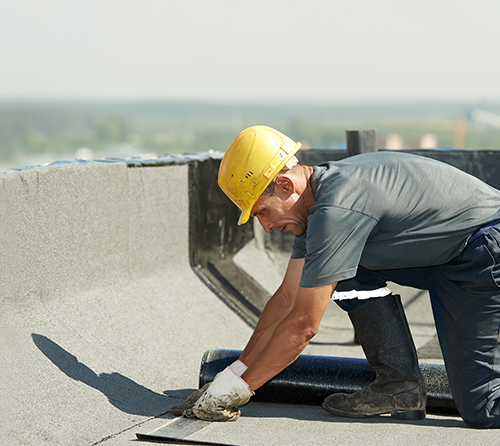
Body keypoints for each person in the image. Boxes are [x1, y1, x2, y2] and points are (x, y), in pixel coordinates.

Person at [173, 125, 500, 429]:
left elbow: (302, 324)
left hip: (483, 252)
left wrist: (236, 392)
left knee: (482, 406)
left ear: (285, 186)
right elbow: (287, 300)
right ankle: (398, 387)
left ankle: (403, 385)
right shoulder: (314, 208)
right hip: (447, 257)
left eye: (262, 212)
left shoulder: (335, 211)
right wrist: (233, 374)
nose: (267, 227)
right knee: (341, 270)